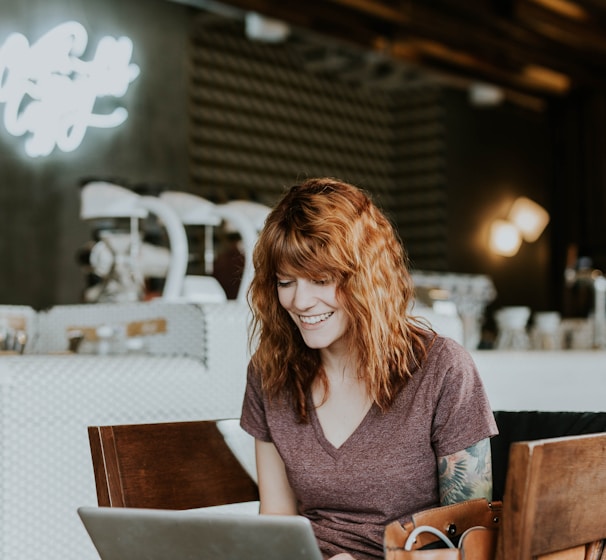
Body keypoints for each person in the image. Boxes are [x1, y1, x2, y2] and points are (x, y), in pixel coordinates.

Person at [240, 178, 498, 560]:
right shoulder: (270, 372)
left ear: (366, 278)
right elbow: (276, 523)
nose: (300, 301)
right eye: (285, 281)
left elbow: (474, 544)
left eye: (321, 280)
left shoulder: (442, 369)